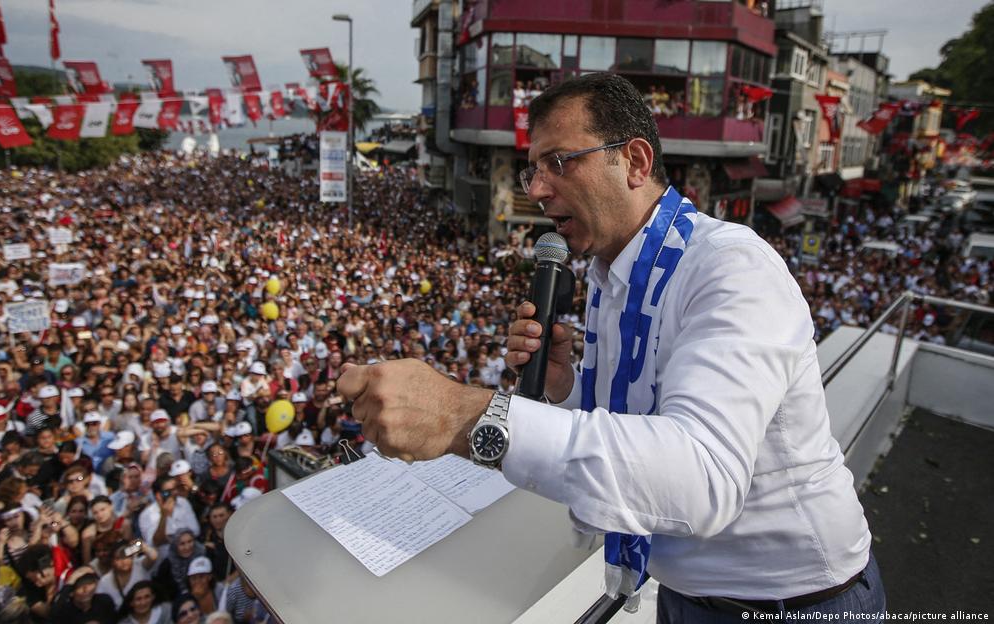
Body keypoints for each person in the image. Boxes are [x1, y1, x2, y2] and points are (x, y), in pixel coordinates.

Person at [336, 73, 885, 622]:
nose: (537, 189)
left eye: (561, 162)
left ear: (636, 163)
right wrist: (565, 387)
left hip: (800, 603)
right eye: (534, 169)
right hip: (682, 593)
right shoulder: (608, 276)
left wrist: (465, 415)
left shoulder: (731, 267)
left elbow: (704, 476)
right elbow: (634, 423)